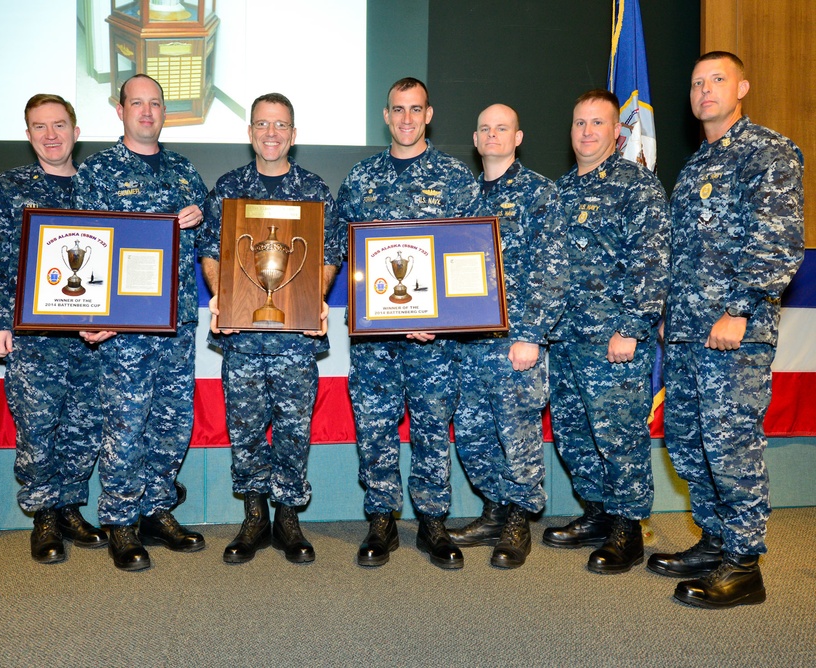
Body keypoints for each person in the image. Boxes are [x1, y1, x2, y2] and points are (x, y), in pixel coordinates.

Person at [649, 52, 804, 609]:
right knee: (689, 443)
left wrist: (738, 309)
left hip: (734, 334)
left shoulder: (767, 152)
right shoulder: (696, 166)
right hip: (690, 334)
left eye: (716, 80)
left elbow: (778, 241)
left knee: (731, 447)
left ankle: (744, 565)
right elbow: (683, 253)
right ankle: (715, 540)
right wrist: (669, 311)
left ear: (741, 86)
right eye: (696, 83)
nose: (704, 91)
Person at [337, 77, 480, 570]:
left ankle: (433, 522)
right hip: (375, 341)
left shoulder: (458, 180)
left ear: (428, 114)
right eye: (397, 109)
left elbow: (468, 259)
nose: (405, 118)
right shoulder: (359, 179)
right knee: (374, 428)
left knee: (432, 429)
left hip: (434, 343)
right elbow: (343, 251)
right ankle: (381, 519)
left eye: (414, 109)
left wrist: (440, 319)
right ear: (385, 114)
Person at [199, 93, 341, 565]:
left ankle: (288, 518)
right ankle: (254, 516)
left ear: (293, 135)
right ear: (250, 132)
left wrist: (313, 301)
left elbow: (326, 256)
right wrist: (222, 296)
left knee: (294, 430)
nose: (271, 132)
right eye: (262, 123)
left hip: (294, 341)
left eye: (281, 125)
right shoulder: (229, 187)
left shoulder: (314, 189)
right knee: (244, 428)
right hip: (242, 337)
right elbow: (213, 252)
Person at [72, 74, 207, 571]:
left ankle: (157, 509)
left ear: (164, 111)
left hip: (176, 324)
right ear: (120, 109)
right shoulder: (99, 172)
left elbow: (209, 238)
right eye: (137, 103)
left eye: (155, 104)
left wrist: (202, 215)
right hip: (123, 328)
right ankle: (121, 521)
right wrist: (91, 315)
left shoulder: (184, 172)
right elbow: (80, 246)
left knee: (173, 422)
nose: (146, 112)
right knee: (125, 425)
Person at [543, 89, 670, 574]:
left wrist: (633, 329)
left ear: (617, 131)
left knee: (619, 437)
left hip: (613, 342)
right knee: (575, 436)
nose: (587, 131)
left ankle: (628, 529)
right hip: (566, 340)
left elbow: (653, 262)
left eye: (598, 123)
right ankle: (597, 513)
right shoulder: (561, 191)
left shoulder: (636, 187)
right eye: (579, 123)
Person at [0, 94, 108, 564]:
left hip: (92, 336)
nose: (51, 135)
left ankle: (71, 507)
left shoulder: (99, 186)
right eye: (40, 126)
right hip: (33, 337)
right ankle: (44, 517)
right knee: (37, 425)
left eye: (59, 125)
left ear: (76, 131)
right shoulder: (8, 187)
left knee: (85, 425)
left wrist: (113, 320)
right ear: (28, 133)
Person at [448, 104, 566, 569]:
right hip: (468, 342)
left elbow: (552, 272)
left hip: (515, 340)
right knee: (475, 436)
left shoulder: (540, 193)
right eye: (485, 130)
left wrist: (532, 335)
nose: (493, 136)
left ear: (518, 138)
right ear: (475, 141)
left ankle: (519, 518)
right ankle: (495, 510)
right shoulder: (463, 197)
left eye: (503, 129)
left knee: (518, 434)